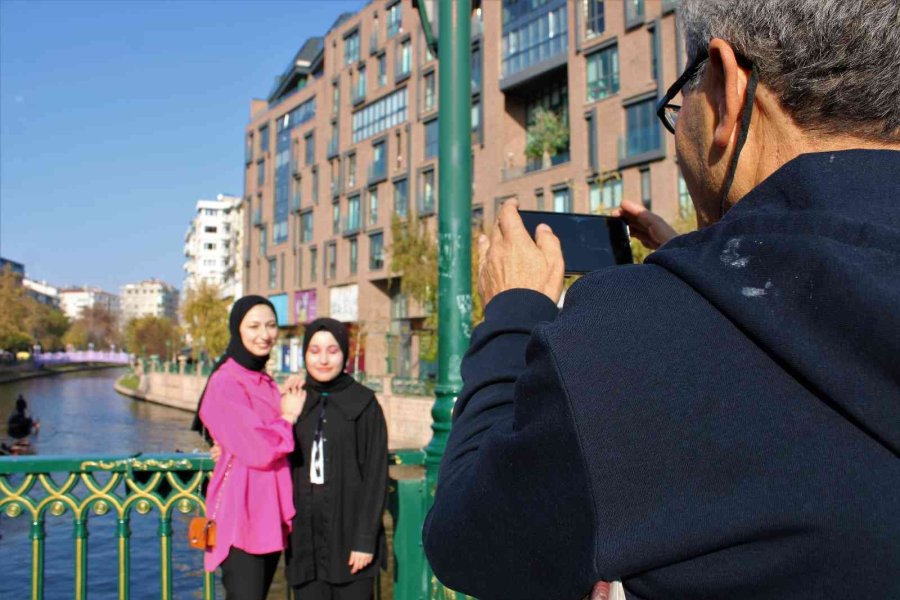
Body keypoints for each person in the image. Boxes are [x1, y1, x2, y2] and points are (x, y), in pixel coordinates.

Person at [423, 1, 900, 599]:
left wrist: (514, 313)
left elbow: (471, 542)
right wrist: (711, 264)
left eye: (682, 100)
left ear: (727, 89)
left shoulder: (629, 336)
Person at [193, 295, 305, 600]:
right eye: (254, 326)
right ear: (237, 330)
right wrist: (289, 415)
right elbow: (258, 448)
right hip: (242, 515)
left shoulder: (261, 378)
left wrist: (288, 398)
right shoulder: (225, 381)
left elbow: (257, 432)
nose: (264, 334)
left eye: (270, 325)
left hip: (266, 512)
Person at [285, 318, 388, 600]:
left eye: (332, 350)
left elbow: (376, 475)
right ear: (304, 354)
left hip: (351, 540)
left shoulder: (364, 403)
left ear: (344, 353)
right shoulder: (294, 399)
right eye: (314, 350)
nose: (323, 359)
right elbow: (264, 445)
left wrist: (365, 541)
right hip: (305, 543)